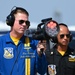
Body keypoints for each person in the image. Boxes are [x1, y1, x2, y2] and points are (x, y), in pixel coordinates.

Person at [0, 6, 47, 75]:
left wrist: (40, 55)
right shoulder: (1, 42)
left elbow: (42, 71)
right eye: (21, 21)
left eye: (26, 22)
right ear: (11, 21)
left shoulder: (34, 44)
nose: (24, 24)